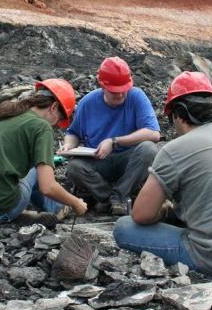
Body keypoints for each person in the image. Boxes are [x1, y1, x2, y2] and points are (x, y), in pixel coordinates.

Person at [113, 72, 212, 278]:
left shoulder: (175, 149)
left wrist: (163, 212)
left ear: (178, 114)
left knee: (123, 227)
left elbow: (141, 215)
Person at [0, 79, 88, 226]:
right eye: (59, 120)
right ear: (54, 107)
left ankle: (24, 213)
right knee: (37, 169)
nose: (56, 125)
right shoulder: (41, 127)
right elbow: (47, 187)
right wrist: (75, 203)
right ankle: (57, 209)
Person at [60, 57, 160, 216]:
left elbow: (153, 134)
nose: (120, 95)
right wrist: (68, 146)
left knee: (149, 149)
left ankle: (118, 196)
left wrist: (114, 141)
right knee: (74, 168)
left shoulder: (136, 97)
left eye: (123, 89)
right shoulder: (88, 103)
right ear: (102, 86)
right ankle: (110, 199)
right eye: (114, 91)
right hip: (99, 162)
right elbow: (73, 133)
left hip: (128, 163)